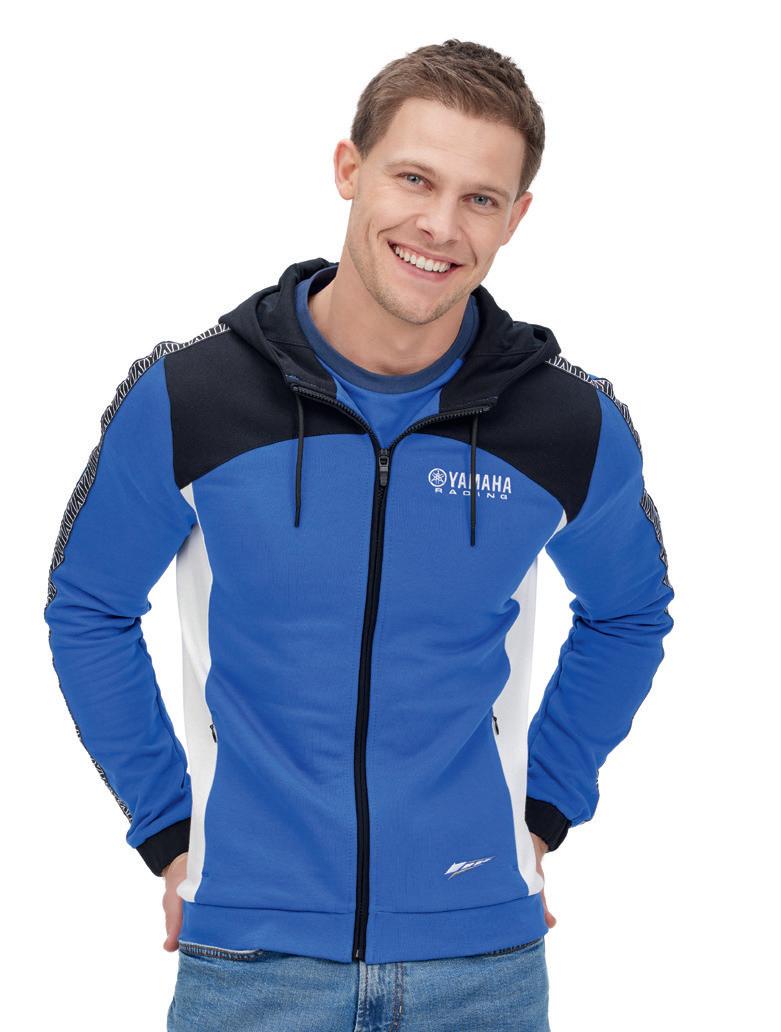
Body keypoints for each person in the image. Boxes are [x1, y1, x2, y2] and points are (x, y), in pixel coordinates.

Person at [43, 38, 675, 1032]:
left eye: (479, 197)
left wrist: (543, 809)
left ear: (516, 218)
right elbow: (88, 606)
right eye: (413, 178)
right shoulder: (192, 397)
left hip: (483, 965)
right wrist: (169, 829)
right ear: (349, 169)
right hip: (251, 961)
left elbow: (630, 612)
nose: (439, 225)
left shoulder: (566, 422)